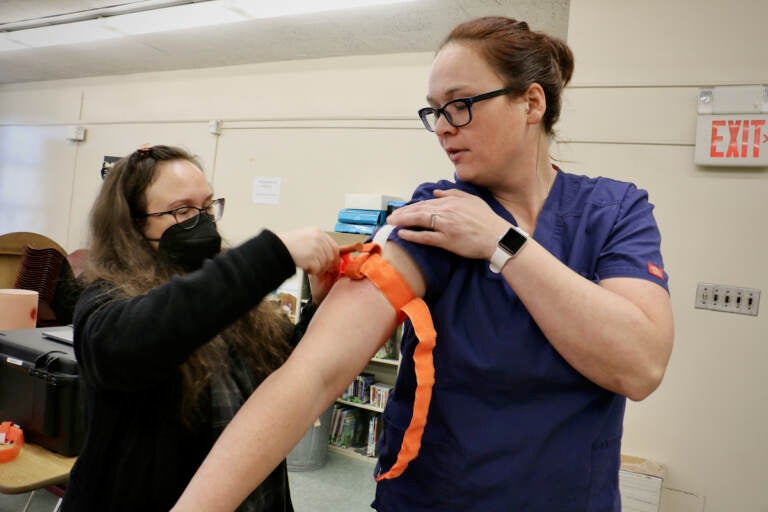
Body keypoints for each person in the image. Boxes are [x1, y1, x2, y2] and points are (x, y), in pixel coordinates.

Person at [172, 16, 674, 512]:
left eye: (460, 105)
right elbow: (313, 375)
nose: (441, 128)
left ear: (532, 102)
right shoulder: (431, 217)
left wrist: (503, 243)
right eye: (433, 110)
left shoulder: (615, 210)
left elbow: (640, 367)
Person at [60, 145, 340, 512]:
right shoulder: (104, 299)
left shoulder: (221, 291)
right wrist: (274, 254)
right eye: (182, 210)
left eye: (207, 207)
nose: (203, 220)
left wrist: (319, 307)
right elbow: (142, 337)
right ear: (133, 224)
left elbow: (280, 371)